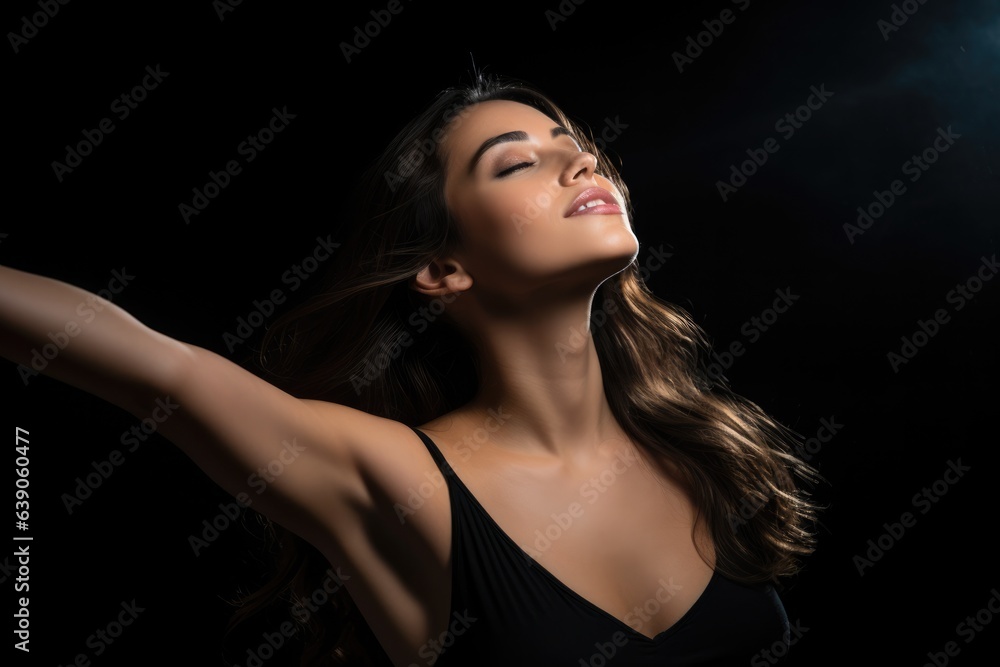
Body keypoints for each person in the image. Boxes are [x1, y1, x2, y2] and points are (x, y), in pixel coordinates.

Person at [0, 73, 820, 666]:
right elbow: (158, 368)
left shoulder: (701, 450)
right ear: (441, 270)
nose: (582, 166)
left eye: (578, 148)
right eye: (515, 162)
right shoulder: (403, 481)